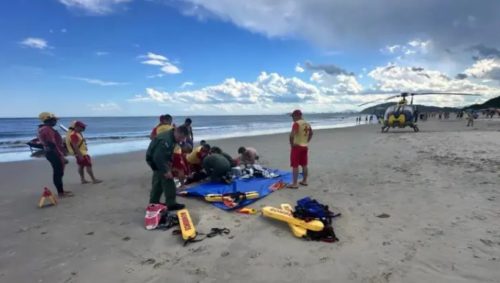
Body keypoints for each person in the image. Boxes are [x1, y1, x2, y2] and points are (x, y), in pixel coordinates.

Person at [145, 125, 189, 209]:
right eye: (180, 137)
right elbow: (158, 157)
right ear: (176, 132)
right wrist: (166, 171)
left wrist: (169, 162)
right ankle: (171, 204)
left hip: (158, 158)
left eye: (183, 138)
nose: (181, 140)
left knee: (158, 181)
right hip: (155, 160)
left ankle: (153, 203)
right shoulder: (166, 140)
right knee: (168, 180)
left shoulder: (172, 136)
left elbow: (167, 152)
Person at [37, 112, 73, 198]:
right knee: (58, 173)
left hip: (52, 153)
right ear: (48, 120)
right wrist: (62, 156)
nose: (55, 122)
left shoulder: (45, 128)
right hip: (54, 153)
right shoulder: (47, 129)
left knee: (59, 173)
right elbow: (52, 145)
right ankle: (60, 193)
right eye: (54, 120)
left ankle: (61, 191)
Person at [287, 109, 313, 189]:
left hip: (297, 146)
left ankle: (295, 184)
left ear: (297, 116)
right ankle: (304, 181)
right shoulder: (307, 123)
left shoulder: (296, 124)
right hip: (305, 146)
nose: (292, 118)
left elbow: (291, 136)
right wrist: (307, 141)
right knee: (304, 164)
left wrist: (291, 145)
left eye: (293, 116)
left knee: (295, 165)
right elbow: (311, 133)